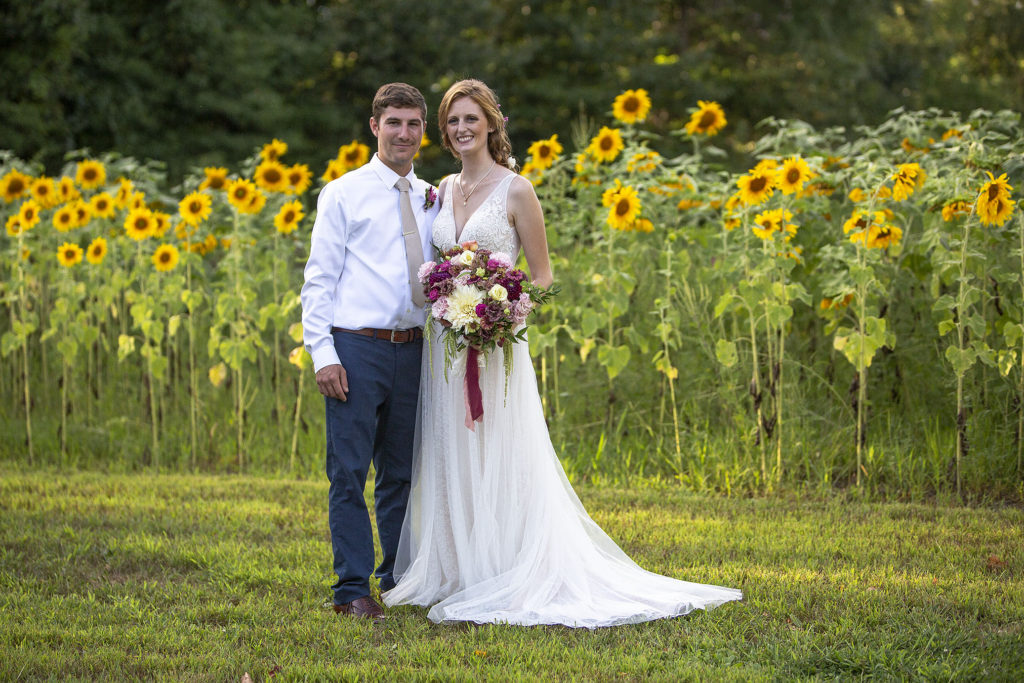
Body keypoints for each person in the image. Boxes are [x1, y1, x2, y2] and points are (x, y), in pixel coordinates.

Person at [383, 79, 742, 627]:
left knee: (497, 448)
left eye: (471, 119)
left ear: (491, 124)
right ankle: (458, 568)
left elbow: (542, 276)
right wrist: (452, 305)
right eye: (453, 120)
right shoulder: (443, 189)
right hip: (444, 348)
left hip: (494, 344)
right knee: (450, 446)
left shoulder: (517, 189)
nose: (461, 129)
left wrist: (495, 313)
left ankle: (503, 566)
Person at [301, 82, 439, 620]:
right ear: (374, 126)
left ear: (422, 132)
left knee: (401, 471)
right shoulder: (343, 193)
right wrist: (322, 353)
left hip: (414, 351)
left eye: (413, 124)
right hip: (356, 349)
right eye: (393, 123)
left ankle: (398, 576)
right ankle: (351, 589)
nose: (403, 133)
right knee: (349, 471)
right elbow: (319, 280)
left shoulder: (432, 196)